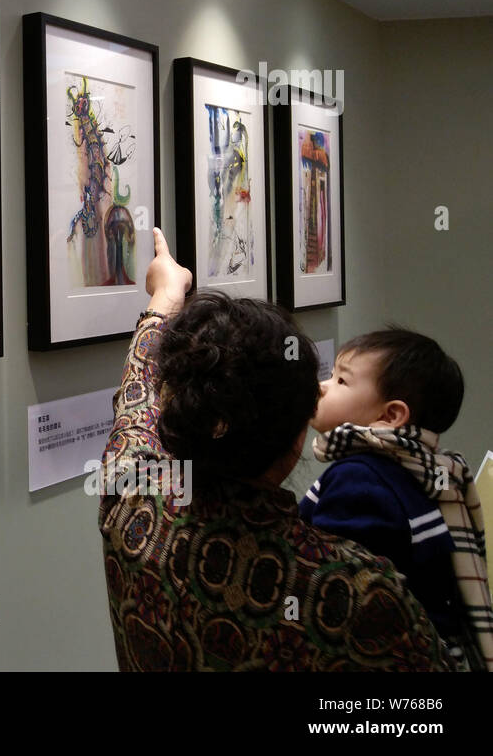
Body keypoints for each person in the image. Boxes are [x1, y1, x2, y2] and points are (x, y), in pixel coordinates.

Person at [97, 228, 455, 670]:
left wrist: (166, 296)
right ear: (298, 434)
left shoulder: (132, 504)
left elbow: (137, 398)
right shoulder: (358, 592)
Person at [300, 330, 491, 671]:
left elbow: (331, 583)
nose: (323, 386)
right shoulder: (429, 469)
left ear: (390, 417)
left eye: (341, 380)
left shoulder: (358, 478)